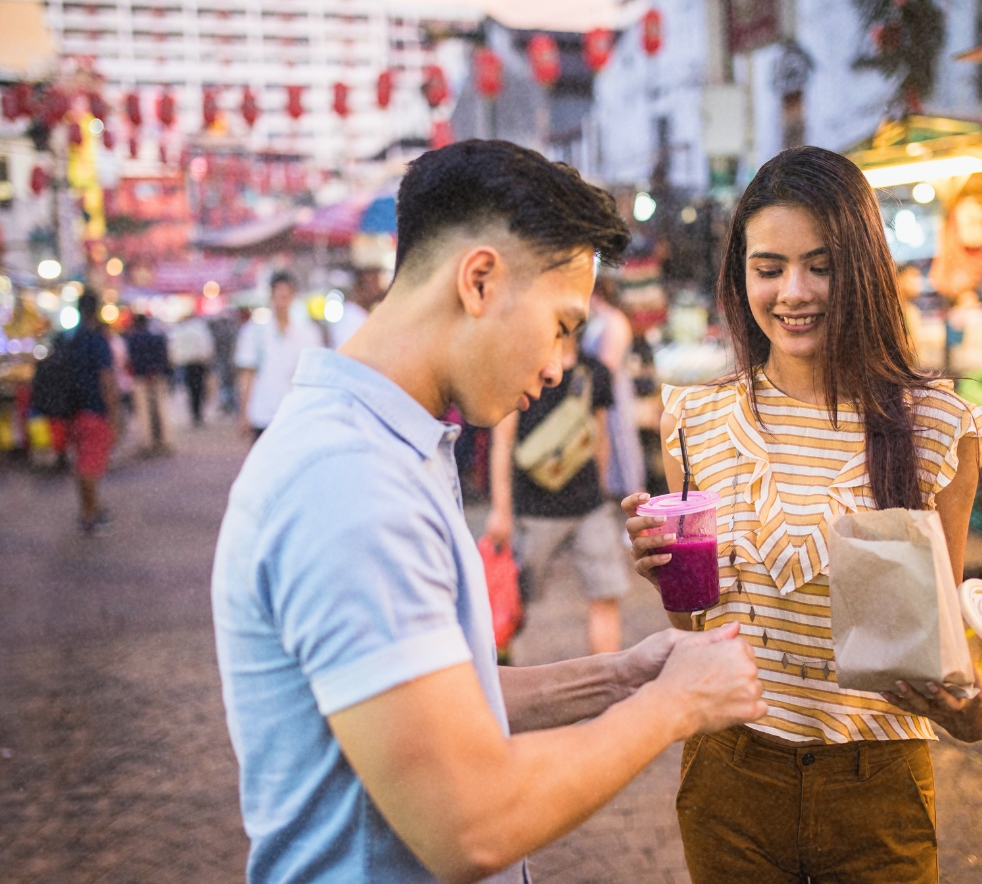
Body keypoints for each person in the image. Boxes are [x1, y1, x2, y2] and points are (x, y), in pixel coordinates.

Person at [211, 139, 766, 884]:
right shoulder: (349, 481)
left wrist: (623, 677)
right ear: (479, 281)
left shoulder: (392, 446)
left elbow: (440, 698)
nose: (560, 364)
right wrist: (673, 708)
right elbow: (470, 824)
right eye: (562, 325)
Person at [623, 146, 982, 883]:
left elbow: (961, 666)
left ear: (861, 269)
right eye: (769, 268)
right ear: (741, 274)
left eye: (820, 265)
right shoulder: (694, 423)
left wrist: (967, 707)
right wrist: (665, 581)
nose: (793, 291)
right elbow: (699, 631)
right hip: (728, 776)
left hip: (878, 791)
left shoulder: (934, 428)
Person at [487, 330, 629, 655]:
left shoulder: (594, 371)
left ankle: (604, 681)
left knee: (605, 595)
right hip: (536, 511)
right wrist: (501, 510)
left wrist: (600, 492)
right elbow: (502, 443)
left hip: (587, 506)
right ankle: (500, 675)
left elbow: (600, 438)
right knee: (510, 599)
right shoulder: (521, 370)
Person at [235, 271, 323, 441]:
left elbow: (315, 375)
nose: (282, 302)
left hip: (296, 414)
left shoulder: (308, 332)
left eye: (286, 296)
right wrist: (244, 413)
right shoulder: (255, 331)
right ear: (271, 297)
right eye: (278, 296)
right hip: (263, 413)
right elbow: (247, 374)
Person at [581, 273, 646, 498]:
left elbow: (609, 364)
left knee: (621, 443)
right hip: (599, 392)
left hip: (613, 393)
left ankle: (634, 497)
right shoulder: (598, 321)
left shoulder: (614, 321)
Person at [68, 291, 120, 535]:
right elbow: (106, 379)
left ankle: (89, 509)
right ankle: (89, 515)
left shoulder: (72, 338)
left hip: (73, 410)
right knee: (91, 464)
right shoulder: (97, 340)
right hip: (94, 410)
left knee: (82, 462)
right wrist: (113, 413)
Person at [126, 313, 174, 455]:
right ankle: (165, 440)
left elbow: (131, 359)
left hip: (141, 378)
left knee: (144, 412)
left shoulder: (132, 339)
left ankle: (147, 443)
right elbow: (164, 357)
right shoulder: (158, 337)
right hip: (157, 376)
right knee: (161, 409)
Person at [169, 314, 216, 427]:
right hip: (198, 363)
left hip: (188, 363)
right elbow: (207, 346)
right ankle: (198, 413)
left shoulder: (182, 330)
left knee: (192, 389)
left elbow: (175, 348)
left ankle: (195, 413)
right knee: (199, 388)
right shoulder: (200, 329)